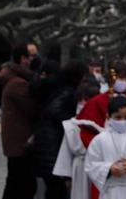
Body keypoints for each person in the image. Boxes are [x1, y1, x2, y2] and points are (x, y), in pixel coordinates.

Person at [32, 60, 87, 199]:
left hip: (47, 144)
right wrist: (72, 121)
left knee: (54, 188)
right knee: (56, 188)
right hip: (52, 146)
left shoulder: (60, 89)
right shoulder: (67, 92)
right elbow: (54, 111)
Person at [76, 60, 126, 147]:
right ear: (111, 78)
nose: (124, 81)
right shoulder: (97, 102)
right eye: (121, 78)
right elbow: (86, 133)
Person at [0, 45, 39, 199]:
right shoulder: (18, 83)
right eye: (32, 57)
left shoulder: (13, 79)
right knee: (23, 185)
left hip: (15, 142)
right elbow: (32, 109)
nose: (33, 61)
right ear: (23, 59)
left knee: (15, 183)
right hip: (20, 143)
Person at [85, 96, 126, 199]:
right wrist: (109, 168)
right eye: (118, 117)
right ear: (108, 116)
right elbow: (90, 165)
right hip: (111, 191)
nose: (122, 121)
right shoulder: (100, 139)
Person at [53, 81, 102, 199]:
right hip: (80, 167)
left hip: (99, 167)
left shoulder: (103, 123)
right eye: (80, 100)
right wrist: (67, 177)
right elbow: (66, 153)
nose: (83, 104)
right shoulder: (71, 124)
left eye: (87, 100)